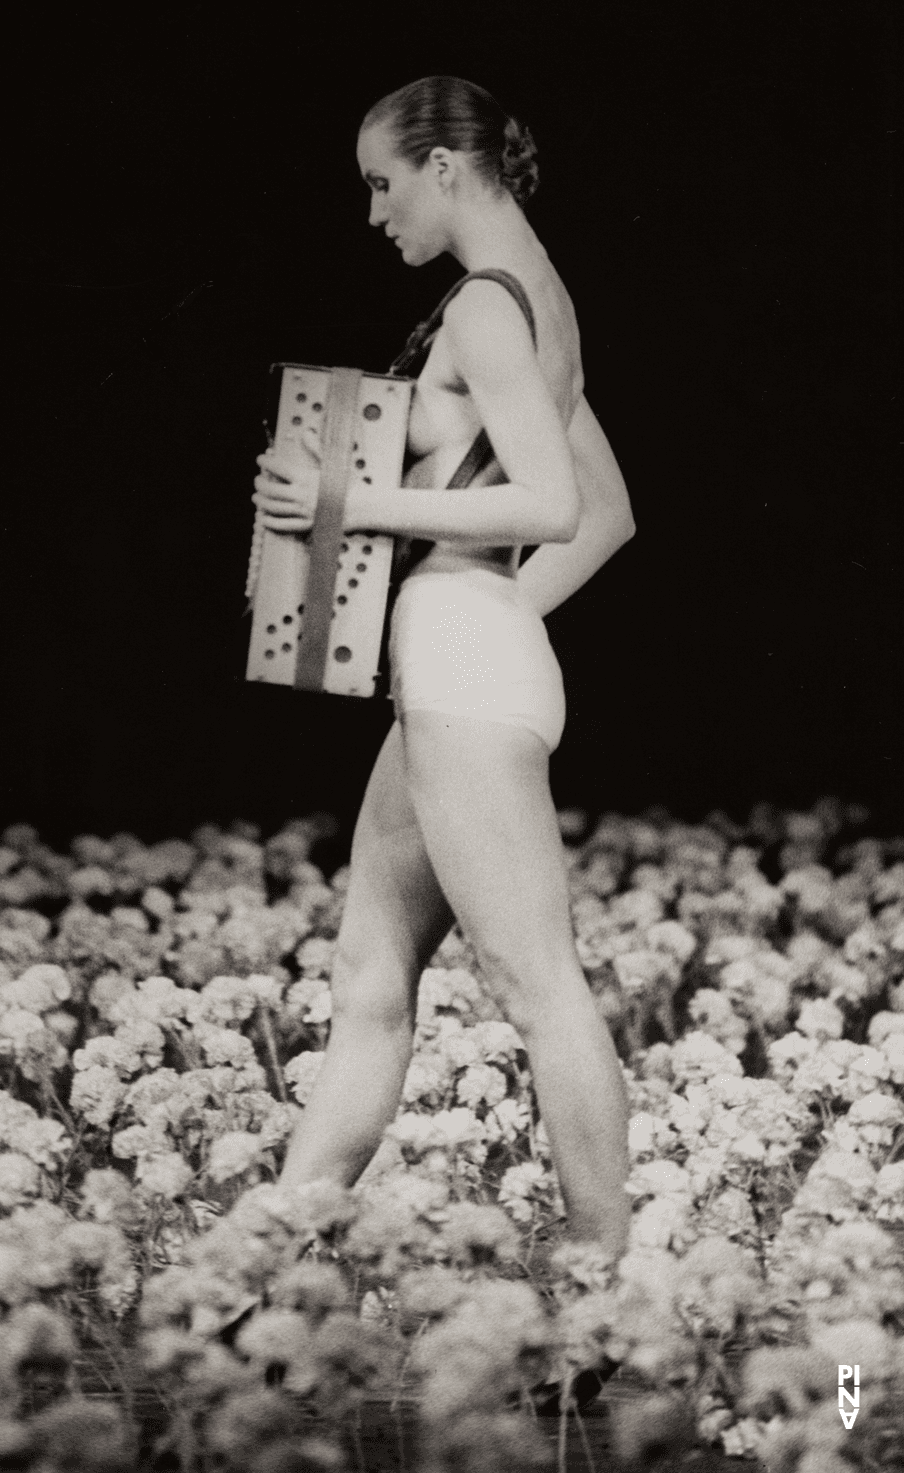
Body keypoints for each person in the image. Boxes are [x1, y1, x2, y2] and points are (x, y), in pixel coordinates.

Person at [253, 76, 636, 1403]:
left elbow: (538, 494)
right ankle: (264, 1282)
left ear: (450, 169)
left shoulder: (483, 305)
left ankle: (599, 1309)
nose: (371, 211)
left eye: (381, 181)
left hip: (463, 669)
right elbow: (605, 517)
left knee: (537, 986)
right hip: (463, 661)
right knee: (369, 974)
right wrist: (483, 619)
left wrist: (350, 504)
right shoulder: (537, 298)